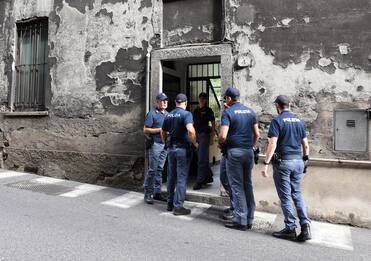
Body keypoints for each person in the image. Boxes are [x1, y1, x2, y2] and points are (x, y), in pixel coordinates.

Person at [261, 95, 311, 242]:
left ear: (277, 106)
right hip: (298, 162)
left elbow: (272, 144)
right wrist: (305, 161)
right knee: (297, 194)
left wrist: (266, 164)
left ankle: (290, 228)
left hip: (284, 163)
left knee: (285, 196)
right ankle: (305, 226)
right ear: (290, 105)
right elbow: (306, 145)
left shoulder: (277, 121)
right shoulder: (299, 121)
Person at [219, 87, 260, 230]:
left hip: (234, 152)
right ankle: (249, 218)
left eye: (226, 98)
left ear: (229, 99)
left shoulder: (228, 112)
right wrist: (250, 146)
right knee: (247, 184)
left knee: (237, 186)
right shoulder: (250, 112)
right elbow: (257, 134)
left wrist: (221, 144)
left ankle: (240, 220)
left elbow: (223, 135)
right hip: (248, 151)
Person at [161, 93, 198, 216]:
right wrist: (195, 143)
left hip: (171, 149)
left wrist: (164, 141)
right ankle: (178, 207)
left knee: (171, 177)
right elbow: (191, 130)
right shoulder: (186, 114)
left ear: (175, 102)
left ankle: (170, 203)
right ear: (186, 103)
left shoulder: (169, 114)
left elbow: (163, 131)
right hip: (182, 149)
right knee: (181, 178)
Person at [143, 93, 168, 204]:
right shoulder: (152, 114)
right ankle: (148, 193)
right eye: (162, 101)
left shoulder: (168, 114)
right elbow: (145, 130)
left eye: (165, 101)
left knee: (160, 169)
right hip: (155, 145)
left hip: (165, 145)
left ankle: (157, 193)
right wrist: (159, 130)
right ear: (157, 102)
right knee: (152, 170)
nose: (164, 103)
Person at [193, 92, 216, 190]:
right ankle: (208, 177)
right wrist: (193, 137)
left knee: (201, 159)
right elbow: (193, 124)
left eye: (204, 98)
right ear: (198, 99)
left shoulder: (209, 110)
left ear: (206, 100)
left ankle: (200, 180)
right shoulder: (195, 111)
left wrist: (212, 138)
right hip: (197, 135)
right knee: (202, 158)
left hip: (204, 136)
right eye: (200, 98)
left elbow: (213, 124)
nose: (202, 100)